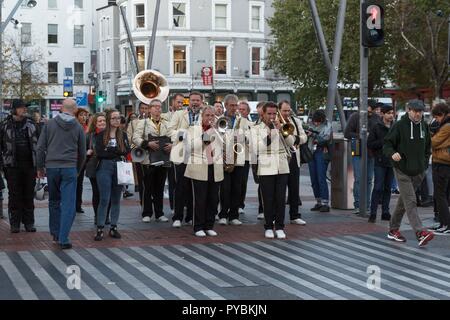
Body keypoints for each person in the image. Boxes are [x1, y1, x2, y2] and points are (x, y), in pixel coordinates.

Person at [383, 99, 434, 246]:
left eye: (420, 111)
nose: (418, 114)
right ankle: (420, 233)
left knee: (404, 202)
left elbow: (428, 148)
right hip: (402, 169)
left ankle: (393, 230)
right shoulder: (399, 126)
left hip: (418, 171)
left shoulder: (424, 126)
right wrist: (392, 153)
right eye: (415, 111)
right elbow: (387, 144)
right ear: (409, 110)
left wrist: (424, 164)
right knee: (411, 201)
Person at [37, 99, 86, 249]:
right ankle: (64, 238)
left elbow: (40, 148)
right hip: (69, 167)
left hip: (52, 167)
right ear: (75, 109)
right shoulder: (78, 126)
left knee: (53, 201)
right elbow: (82, 152)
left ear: (61, 108)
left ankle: (55, 233)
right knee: (69, 204)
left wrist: (40, 167)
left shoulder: (49, 124)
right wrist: (77, 169)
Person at [253, 102, 293, 239]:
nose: (272, 116)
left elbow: (291, 143)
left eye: (274, 114)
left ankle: (280, 226)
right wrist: (270, 135)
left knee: (281, 199)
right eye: (269, 114)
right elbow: (257, 148)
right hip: (266, 167)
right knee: (268, 199)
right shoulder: (256, 128)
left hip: (282, 167)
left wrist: (283, 131)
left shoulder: (280, 125)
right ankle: (269, 226)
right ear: (262, 114)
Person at [0, 99, 39, 233]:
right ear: (14, 109)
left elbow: (38, 144)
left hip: (30, 165)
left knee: (29, 193)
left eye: (25, 107)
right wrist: (3, 164)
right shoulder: (4, 125)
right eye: (22, 107)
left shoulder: (31, 124)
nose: (24, 109)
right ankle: (15, 223)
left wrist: (40, 165)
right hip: (12, 165)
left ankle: (29, 222)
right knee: (14, 195)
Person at [184, 106, 223, 236]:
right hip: (199, 167)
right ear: (202, 116)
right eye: (207, 115)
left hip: (215, 166)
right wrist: (206, 135)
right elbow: (190, 147)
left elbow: (226, 145)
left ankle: (209, 225)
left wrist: (220, 132)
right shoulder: (193, 129)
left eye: (212, 116)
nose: (210, 118)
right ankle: (198, 226)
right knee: (200, 199)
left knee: (213, 198)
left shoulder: (219, 129)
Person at [94, 109, 131, 241]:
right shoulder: (101, 135)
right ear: (109, 120)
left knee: (116, 198)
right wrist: (116, 151)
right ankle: (100, 227)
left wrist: (111, 150)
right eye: (114, 118)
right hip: (104, 167)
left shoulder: (123, 134)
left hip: (119, 166)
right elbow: (100, 153)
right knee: (104, 198)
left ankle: (113, 227)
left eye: (118, 118)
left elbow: (126, 150)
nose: (117, 120)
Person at [168, 91, 203, 227]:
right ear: (189, 101)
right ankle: (177, 217)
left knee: (194, 187)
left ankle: (190, 216)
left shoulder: (204, 114)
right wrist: (183, 134)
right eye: (192, 100)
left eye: (197, 100)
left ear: (201, 102)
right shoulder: (178, 114)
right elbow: (170, 131)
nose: (195, 103)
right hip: (180, 153)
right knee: (180, 186)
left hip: (198, 154)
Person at [133, 99, 171, 223]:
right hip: (148, 159)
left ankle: (159, 213)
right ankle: (147, 213)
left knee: (159, 187)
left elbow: (173, 136)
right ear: (150, 109)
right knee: (147, 187)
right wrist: (147, 143)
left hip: (163, 158)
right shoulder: (143, 122)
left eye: (160, 107)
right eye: (155, 107)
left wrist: (171, 145)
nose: (158, 109)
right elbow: (135, 138)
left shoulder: (166, 123)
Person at [218, 94, 249, 226]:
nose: (234, 108)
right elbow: (217, 137)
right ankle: (223, 214)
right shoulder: (219, 119)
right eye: (232, 105)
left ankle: (234, 215)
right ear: (225, 106)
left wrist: (242, 137)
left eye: (236, 105)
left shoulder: (242, 120)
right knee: (225, 188)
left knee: (237, 187)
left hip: (239, 156)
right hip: (225, 157)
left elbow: (249, 137)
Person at [344, 99, 380, 213]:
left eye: (374, 109)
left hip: (371, 152)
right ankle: (358, 204)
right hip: (358, 149)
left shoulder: (375, 118)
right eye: (372, 108)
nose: (373, 111)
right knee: (359, 178)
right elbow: (347, 133)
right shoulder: (355, 116)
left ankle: (367, 205)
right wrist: (361, 135)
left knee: (369, 179)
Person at [278, 100, 308, 225]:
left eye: (288, 110)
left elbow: (304, 137)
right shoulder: (275, 121)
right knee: (280, 188)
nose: (286, 113)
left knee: (294, 187)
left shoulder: (295, 121)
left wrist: (296, 139)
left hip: (294, 155)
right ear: (279, 110)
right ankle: (277, 216)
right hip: (281, 157)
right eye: (284, 110)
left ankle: (294, 215)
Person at [367, 104, 395, 223]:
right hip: (379, 161)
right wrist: (384, 141)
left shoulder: (395, 127)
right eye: (388, 113)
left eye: (392, 113)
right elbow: (370, 144)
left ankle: (385, 212)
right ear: (382, 114)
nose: (391, 115)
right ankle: (373, 213)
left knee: (388, 188)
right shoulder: (376, 127)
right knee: (378, 187)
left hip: (392, 161)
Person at [428, 103, 450, 233]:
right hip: (442, 162)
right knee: (441, 195)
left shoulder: (446, 126)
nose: (436, 120)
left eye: (436, 117)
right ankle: (443, 223)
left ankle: (446, 224)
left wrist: (431, 134)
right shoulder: (444, 125)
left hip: (443, 163)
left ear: (441, 114)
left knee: (440, 194)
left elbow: (434, 142)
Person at [85, 112, 110, 225]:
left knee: (107, 192)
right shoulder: (89, 136)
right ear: (95, 123)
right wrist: (87, 152)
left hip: (108, 166)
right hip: (94, 166)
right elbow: (82, 150)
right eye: (99, 121)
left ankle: (106, 216)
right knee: (97, 192)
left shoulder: (111, 134)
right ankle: (97, 216)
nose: (102, 123)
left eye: (104, 121)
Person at [162, 94, 184, 214]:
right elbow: (165, 132)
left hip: (181, 151)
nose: (180, 105)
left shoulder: (185, 115)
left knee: (182, 179)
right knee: (172, 180)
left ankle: (183, 204)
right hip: (168, 152)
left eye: (182, 103)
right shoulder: (165, 116)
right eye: (178, 102)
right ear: (172, 103)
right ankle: (173, 206)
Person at [306, 110, 332, 212]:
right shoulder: (310, 125)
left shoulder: (327, 126)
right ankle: (318, 201)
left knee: (321, 177)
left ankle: (325, 202)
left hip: (322, 152)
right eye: (314, 121)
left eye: (318, 121)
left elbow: (324, 139)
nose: (316, 123)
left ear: (322, 120)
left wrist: (313, 135)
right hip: (311, 151)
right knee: (314, 178)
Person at [128, 102, 149, 206]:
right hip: (139, 152)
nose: (144, 110)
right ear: (139, 109)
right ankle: (143, 202)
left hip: (151, 153)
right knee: (142, 180)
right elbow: (129, 138)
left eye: (146, 108)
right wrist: (135, 148)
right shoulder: (133, 123)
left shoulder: (152, 121)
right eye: (142, 108)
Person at [237, 100, 253, 215]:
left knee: (242, 182)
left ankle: (240, 204)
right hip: (230, 155)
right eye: (239, 109)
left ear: (247, 112)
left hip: (244, 157)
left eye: (243, 109)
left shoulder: (250, 125)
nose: (240, 111)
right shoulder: (231, 121)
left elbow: (251, 141)